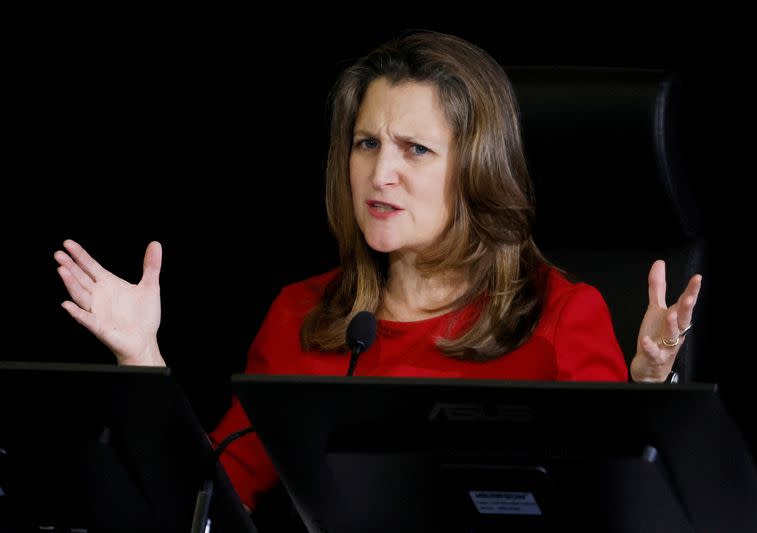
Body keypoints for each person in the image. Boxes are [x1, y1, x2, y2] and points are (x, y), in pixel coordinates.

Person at [53, 30, 702, 514]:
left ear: (475, 168)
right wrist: (141, 357)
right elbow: (209, 506)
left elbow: (621, 510)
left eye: (414, 149)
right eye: (366, 143)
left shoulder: (562, 315)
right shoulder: (302, 317)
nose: (379, 173)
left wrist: (645, 395)